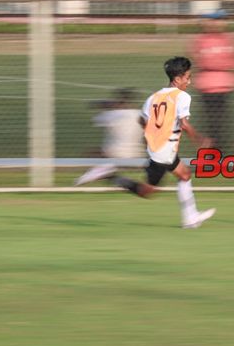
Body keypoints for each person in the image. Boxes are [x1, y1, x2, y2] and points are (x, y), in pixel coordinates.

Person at [75, 57, 215, 229]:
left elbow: (142, 120)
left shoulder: (154, 97)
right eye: (187, 77)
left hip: (160, 147)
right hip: (164, 150)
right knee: (147, 192)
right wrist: (199, 139)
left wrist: (152, 133)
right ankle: (109, 175)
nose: (189, 81)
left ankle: (191, 217)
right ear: (177, 79)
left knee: (184, 174)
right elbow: (184, 123)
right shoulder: (183, 96)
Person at [190, 9, 234, 152]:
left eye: (221, 20)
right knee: (211, 123)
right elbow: (197, 61)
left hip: (226, 86)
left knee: (223, 123)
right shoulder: (200, 40)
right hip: (207, 87)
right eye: (215, 20)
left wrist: (216, 63)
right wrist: (220, 63)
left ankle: (219, 152)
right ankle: (212, 153)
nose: (218, 23)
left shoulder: (230, 39)